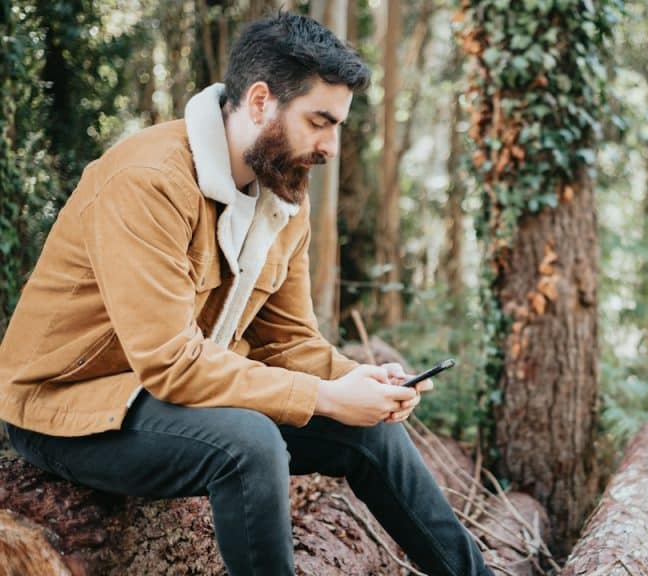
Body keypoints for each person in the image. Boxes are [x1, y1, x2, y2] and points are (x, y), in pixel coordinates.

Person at [0, 12, 493, 576]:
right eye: (319, 122)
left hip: (171, 397)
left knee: (366, 429)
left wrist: (352, 380)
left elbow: (287, 343)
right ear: (260, 102)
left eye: (338, 126)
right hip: (68, 406)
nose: (331, 147)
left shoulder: (283, 192)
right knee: (249, 443)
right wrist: (325, 397)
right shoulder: (147, 181)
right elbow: (171, 364)